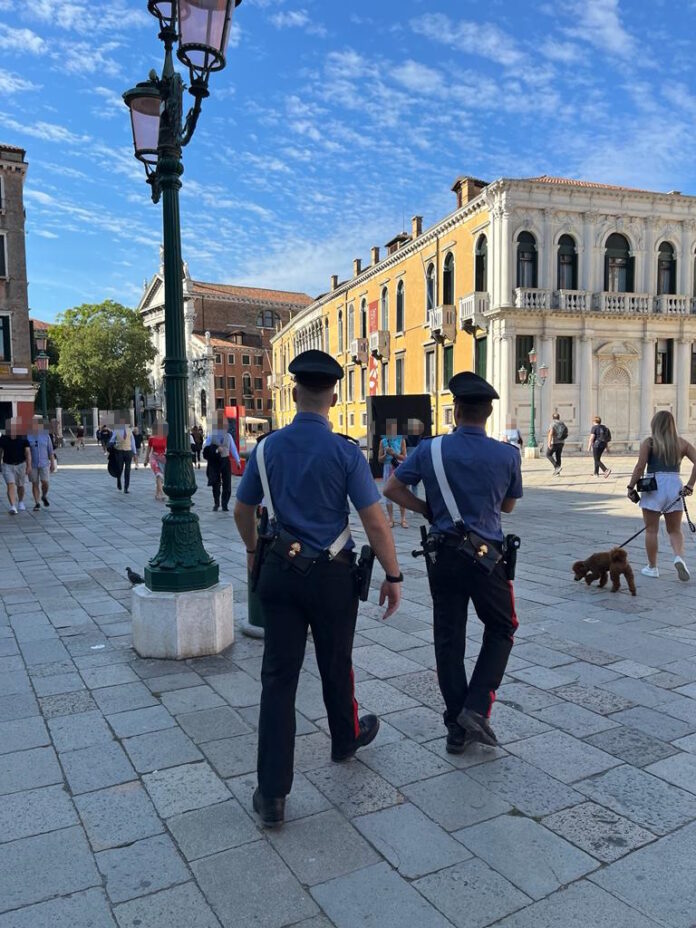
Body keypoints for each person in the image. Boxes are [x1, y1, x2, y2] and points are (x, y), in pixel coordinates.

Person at [234, 349, 402, 828]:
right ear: (332, 396)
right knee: (336, 662)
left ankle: (272, 795)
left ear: (292, 393)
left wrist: (252, 550)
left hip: (279, 573)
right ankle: (344, 739)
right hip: (332, 575)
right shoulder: (345, 452)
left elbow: (243, 512)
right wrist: (392, 575)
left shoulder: (265, 449)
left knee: (278, 679)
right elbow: (374, 520)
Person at [384, 371, 522, 754]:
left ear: (457, 409)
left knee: (449, 638)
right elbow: (507, 505)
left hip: (443, 553)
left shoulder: (430, 450)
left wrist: (429, 509)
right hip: (486, 558)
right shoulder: (507, 454)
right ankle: (476, 707)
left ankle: (455, 729)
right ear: (488, 412)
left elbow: (391, 488)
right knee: (502, 626)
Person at [627, 410, 696, 581]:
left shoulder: (649, 443)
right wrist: (690, 484)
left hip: (654, 485)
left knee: (651, 530)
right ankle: (679, 557)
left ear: (655, 425)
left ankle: (652, 567)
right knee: (675, 530)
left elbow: (640, 467)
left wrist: (630, 486)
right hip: (674, 484)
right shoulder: (682, 443)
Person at [204, 412, 240, 512]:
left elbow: (233, 449)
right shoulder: (211, 436)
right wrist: (215, 450)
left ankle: (225, 504)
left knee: (227, 483)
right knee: (216, 483)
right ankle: (216, 503)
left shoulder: (229, 436)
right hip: (215, 462)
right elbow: (206, 448)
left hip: (225, 460)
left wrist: (237, 461)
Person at [378, 419, 408, 528]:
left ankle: (403, 519)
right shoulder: (383, 441)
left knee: (401, 492)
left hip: (398, 467)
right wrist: (386, 454)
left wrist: (394, 454)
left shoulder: (401, 440)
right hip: (387, 468)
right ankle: (390, 519)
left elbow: (405, 457)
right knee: (388, 493)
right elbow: (379, 459)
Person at [0, 418, 31, 515]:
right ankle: (13, 506)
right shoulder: (3, 439)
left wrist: (29, 466)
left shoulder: (23, 438)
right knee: (10, 484)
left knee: (20, 486)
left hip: (21, 465)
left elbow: (27, 453)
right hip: (7, 465)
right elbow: (0, 452)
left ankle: (20, 501)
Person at [27, 418, 56, 511]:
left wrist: (52, 463)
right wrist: (27, 465)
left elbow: (50, 451)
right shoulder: (28, 437)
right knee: (34, 483)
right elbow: (26, 452)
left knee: (45, 482)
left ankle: (44, 495)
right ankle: (37, 503)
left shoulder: (46, 436)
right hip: (33, 464)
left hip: (44, 463)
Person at [108, 418, 136, 493]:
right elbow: (112, 440)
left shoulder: (130, 431)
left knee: (127, 470)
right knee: (119, 468)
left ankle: (126, 487)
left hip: (128, 452)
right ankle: (118, 480)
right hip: (119, 451)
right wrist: (112, 444)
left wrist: (135, 453)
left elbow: (132, 442)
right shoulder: (116, 431)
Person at [143, 421, 167, 501]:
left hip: (163, 458)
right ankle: (162, 493)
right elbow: (149, 448)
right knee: (158, 475)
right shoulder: (152, 438)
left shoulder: (166, 437)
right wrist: (146, 459)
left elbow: (167, 448)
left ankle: (157, 494)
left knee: (160, 477)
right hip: (154, 457)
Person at [546, 412, 567, 476]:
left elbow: (550, 433)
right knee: (558, 456)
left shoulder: (553, 424)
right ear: (559, 417)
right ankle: (557, 472)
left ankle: (557, 467)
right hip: (561, 442)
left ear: (553, 418)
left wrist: (549, 443)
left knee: (548, 454)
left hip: (554, 442)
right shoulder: (562, 423)